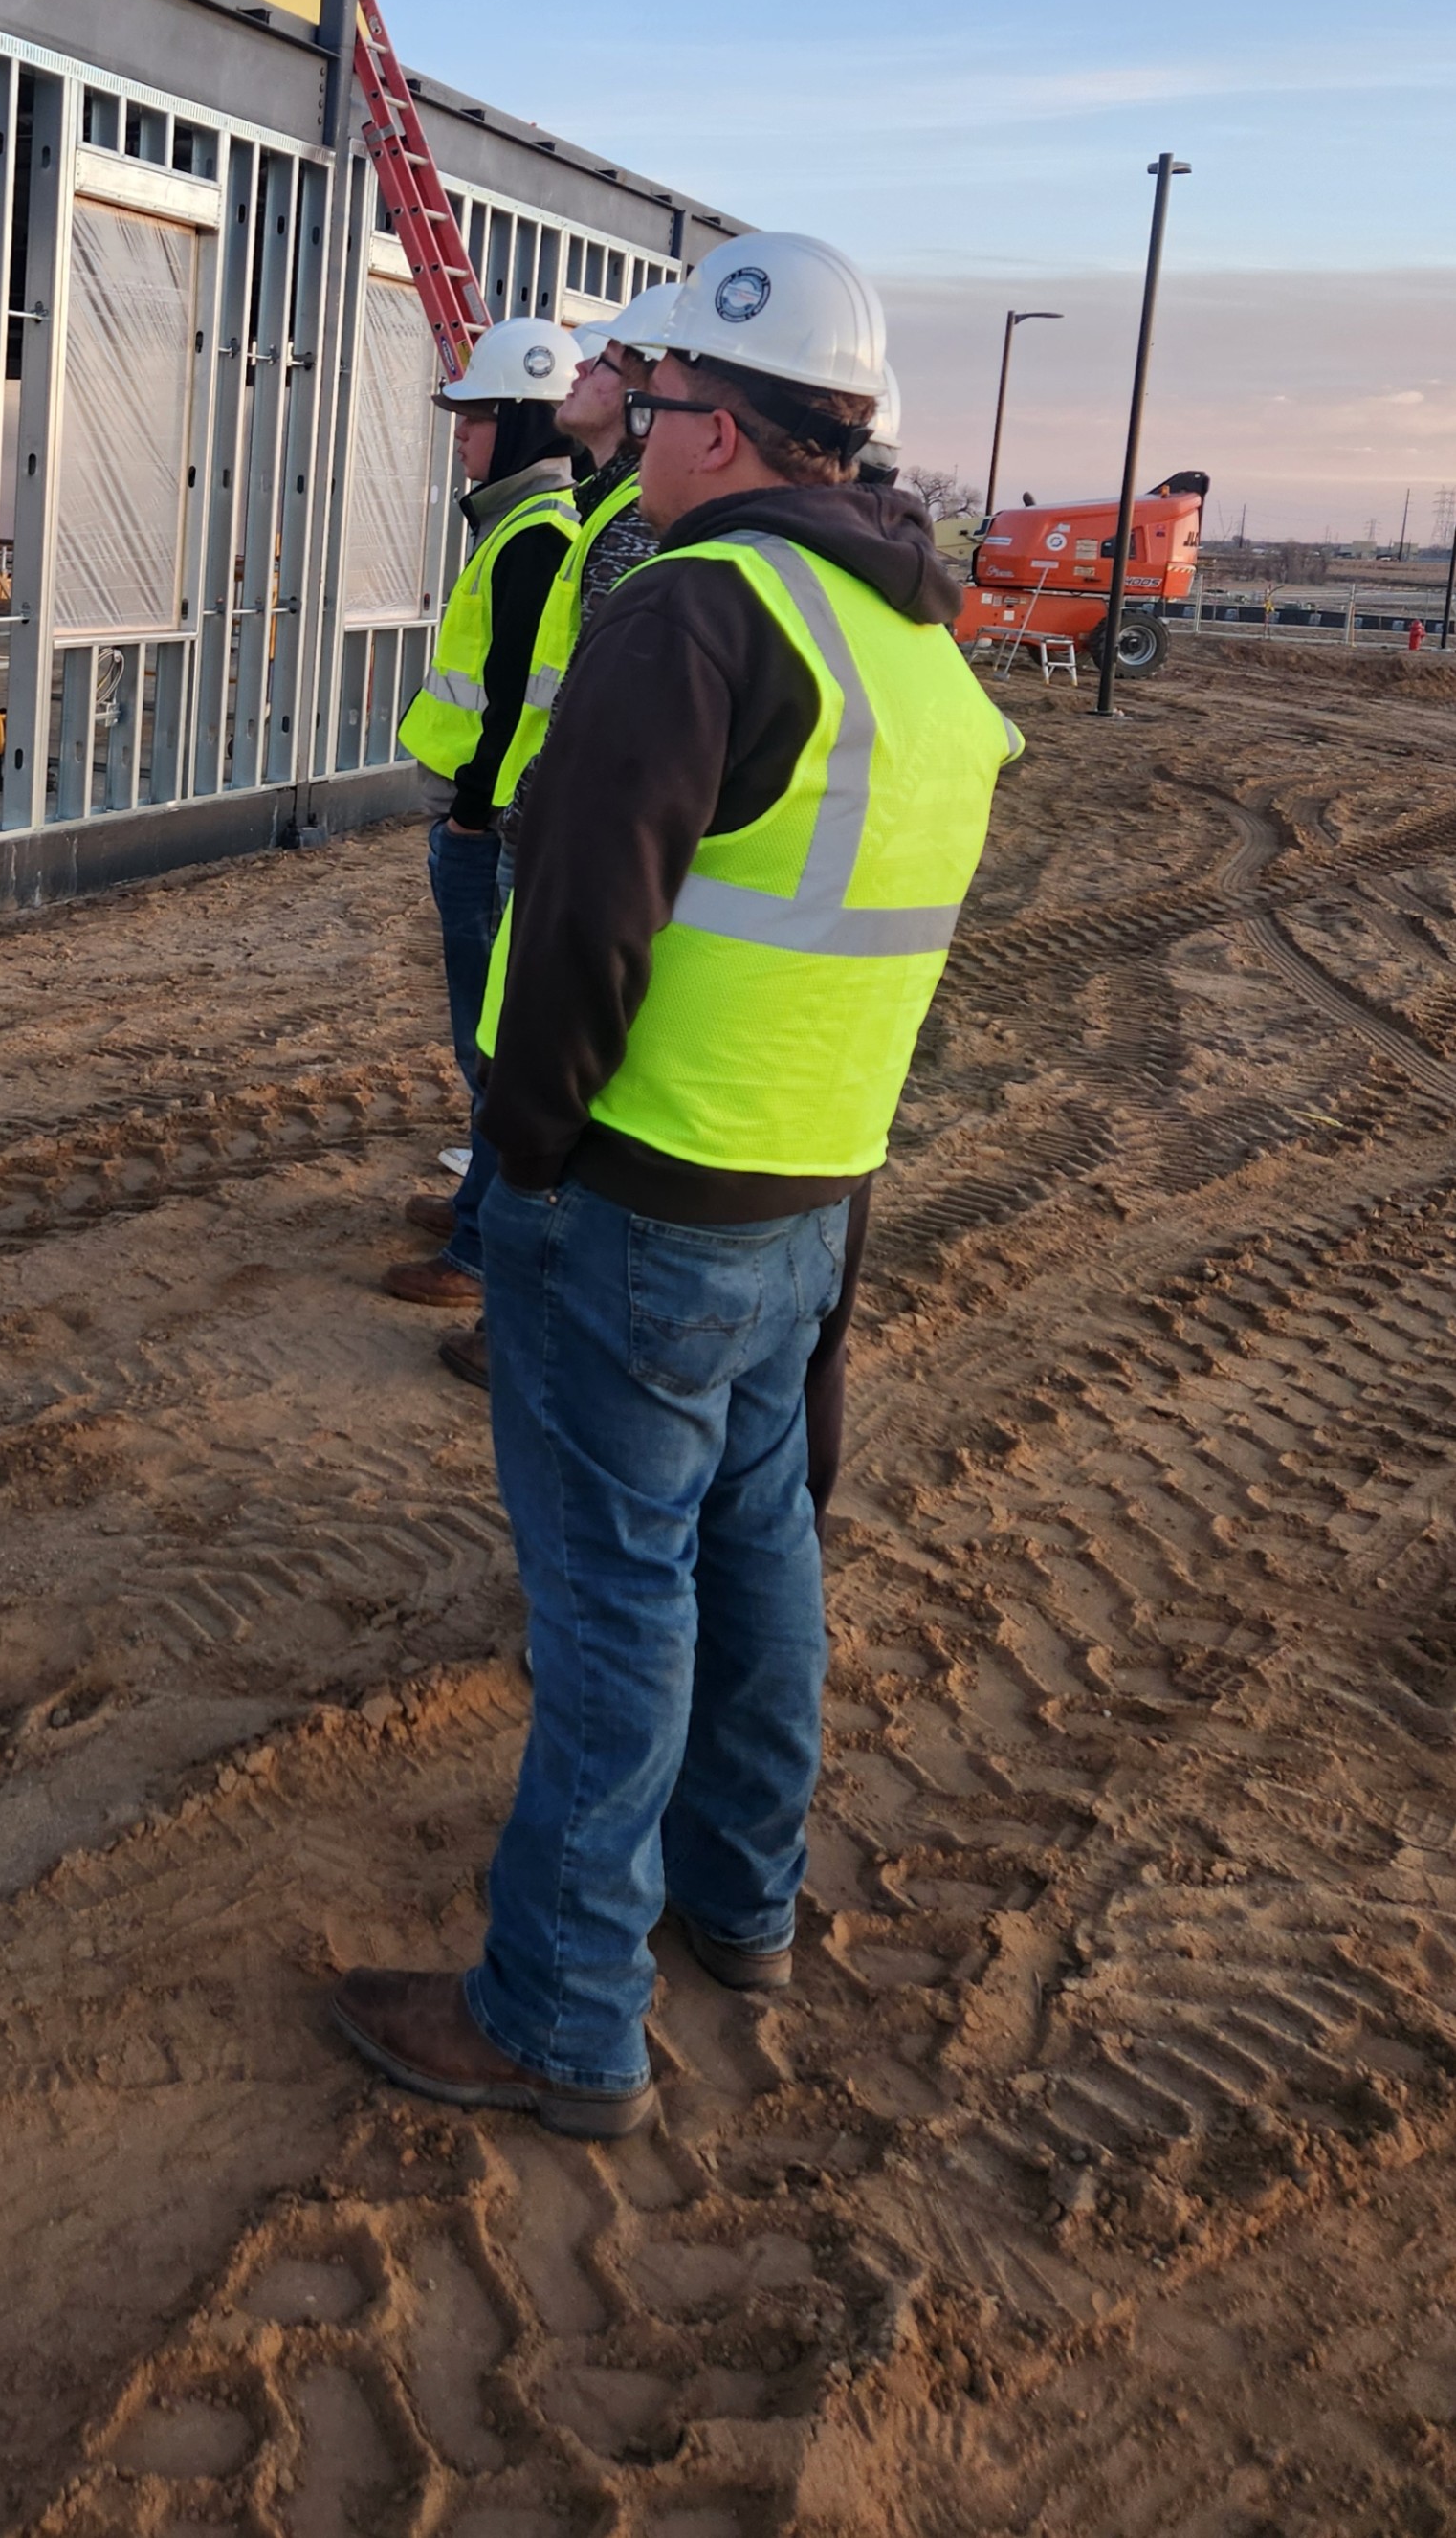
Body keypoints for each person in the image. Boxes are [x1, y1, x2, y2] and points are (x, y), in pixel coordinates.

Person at [335, 232, 1019, 2137]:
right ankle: (740, 1899)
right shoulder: (913, 641)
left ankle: (560, 2008)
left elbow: (579, 930)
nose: (622, 428)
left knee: (615, 1602)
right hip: (802, 1196)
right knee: (760, 1545)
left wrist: (525, 1161)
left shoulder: (699, 615)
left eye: (646, 402)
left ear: (721, 428)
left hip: (637, 1197)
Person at [430, 278, 684, 1393]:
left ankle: (504, 1282)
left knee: (532, 1075)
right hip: (540, 839)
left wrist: (492, 816)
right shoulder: (599, 513)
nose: (584, 370)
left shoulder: (625, 531)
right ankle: (489, 1240)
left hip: (549, 853)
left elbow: (581, 715)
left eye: (611, 365)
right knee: (510, 1061)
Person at [386, 316, 580, 1313]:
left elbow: (512, 697)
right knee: (484, 1042)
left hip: (490, 825)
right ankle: (473, 1207)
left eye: (472, 418)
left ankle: (477, 1250)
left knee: (490, 1046)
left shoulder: (537, 532)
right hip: (488, 817)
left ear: (515, 421)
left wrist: (467, 814)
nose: (458, 435)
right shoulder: (519, 520)